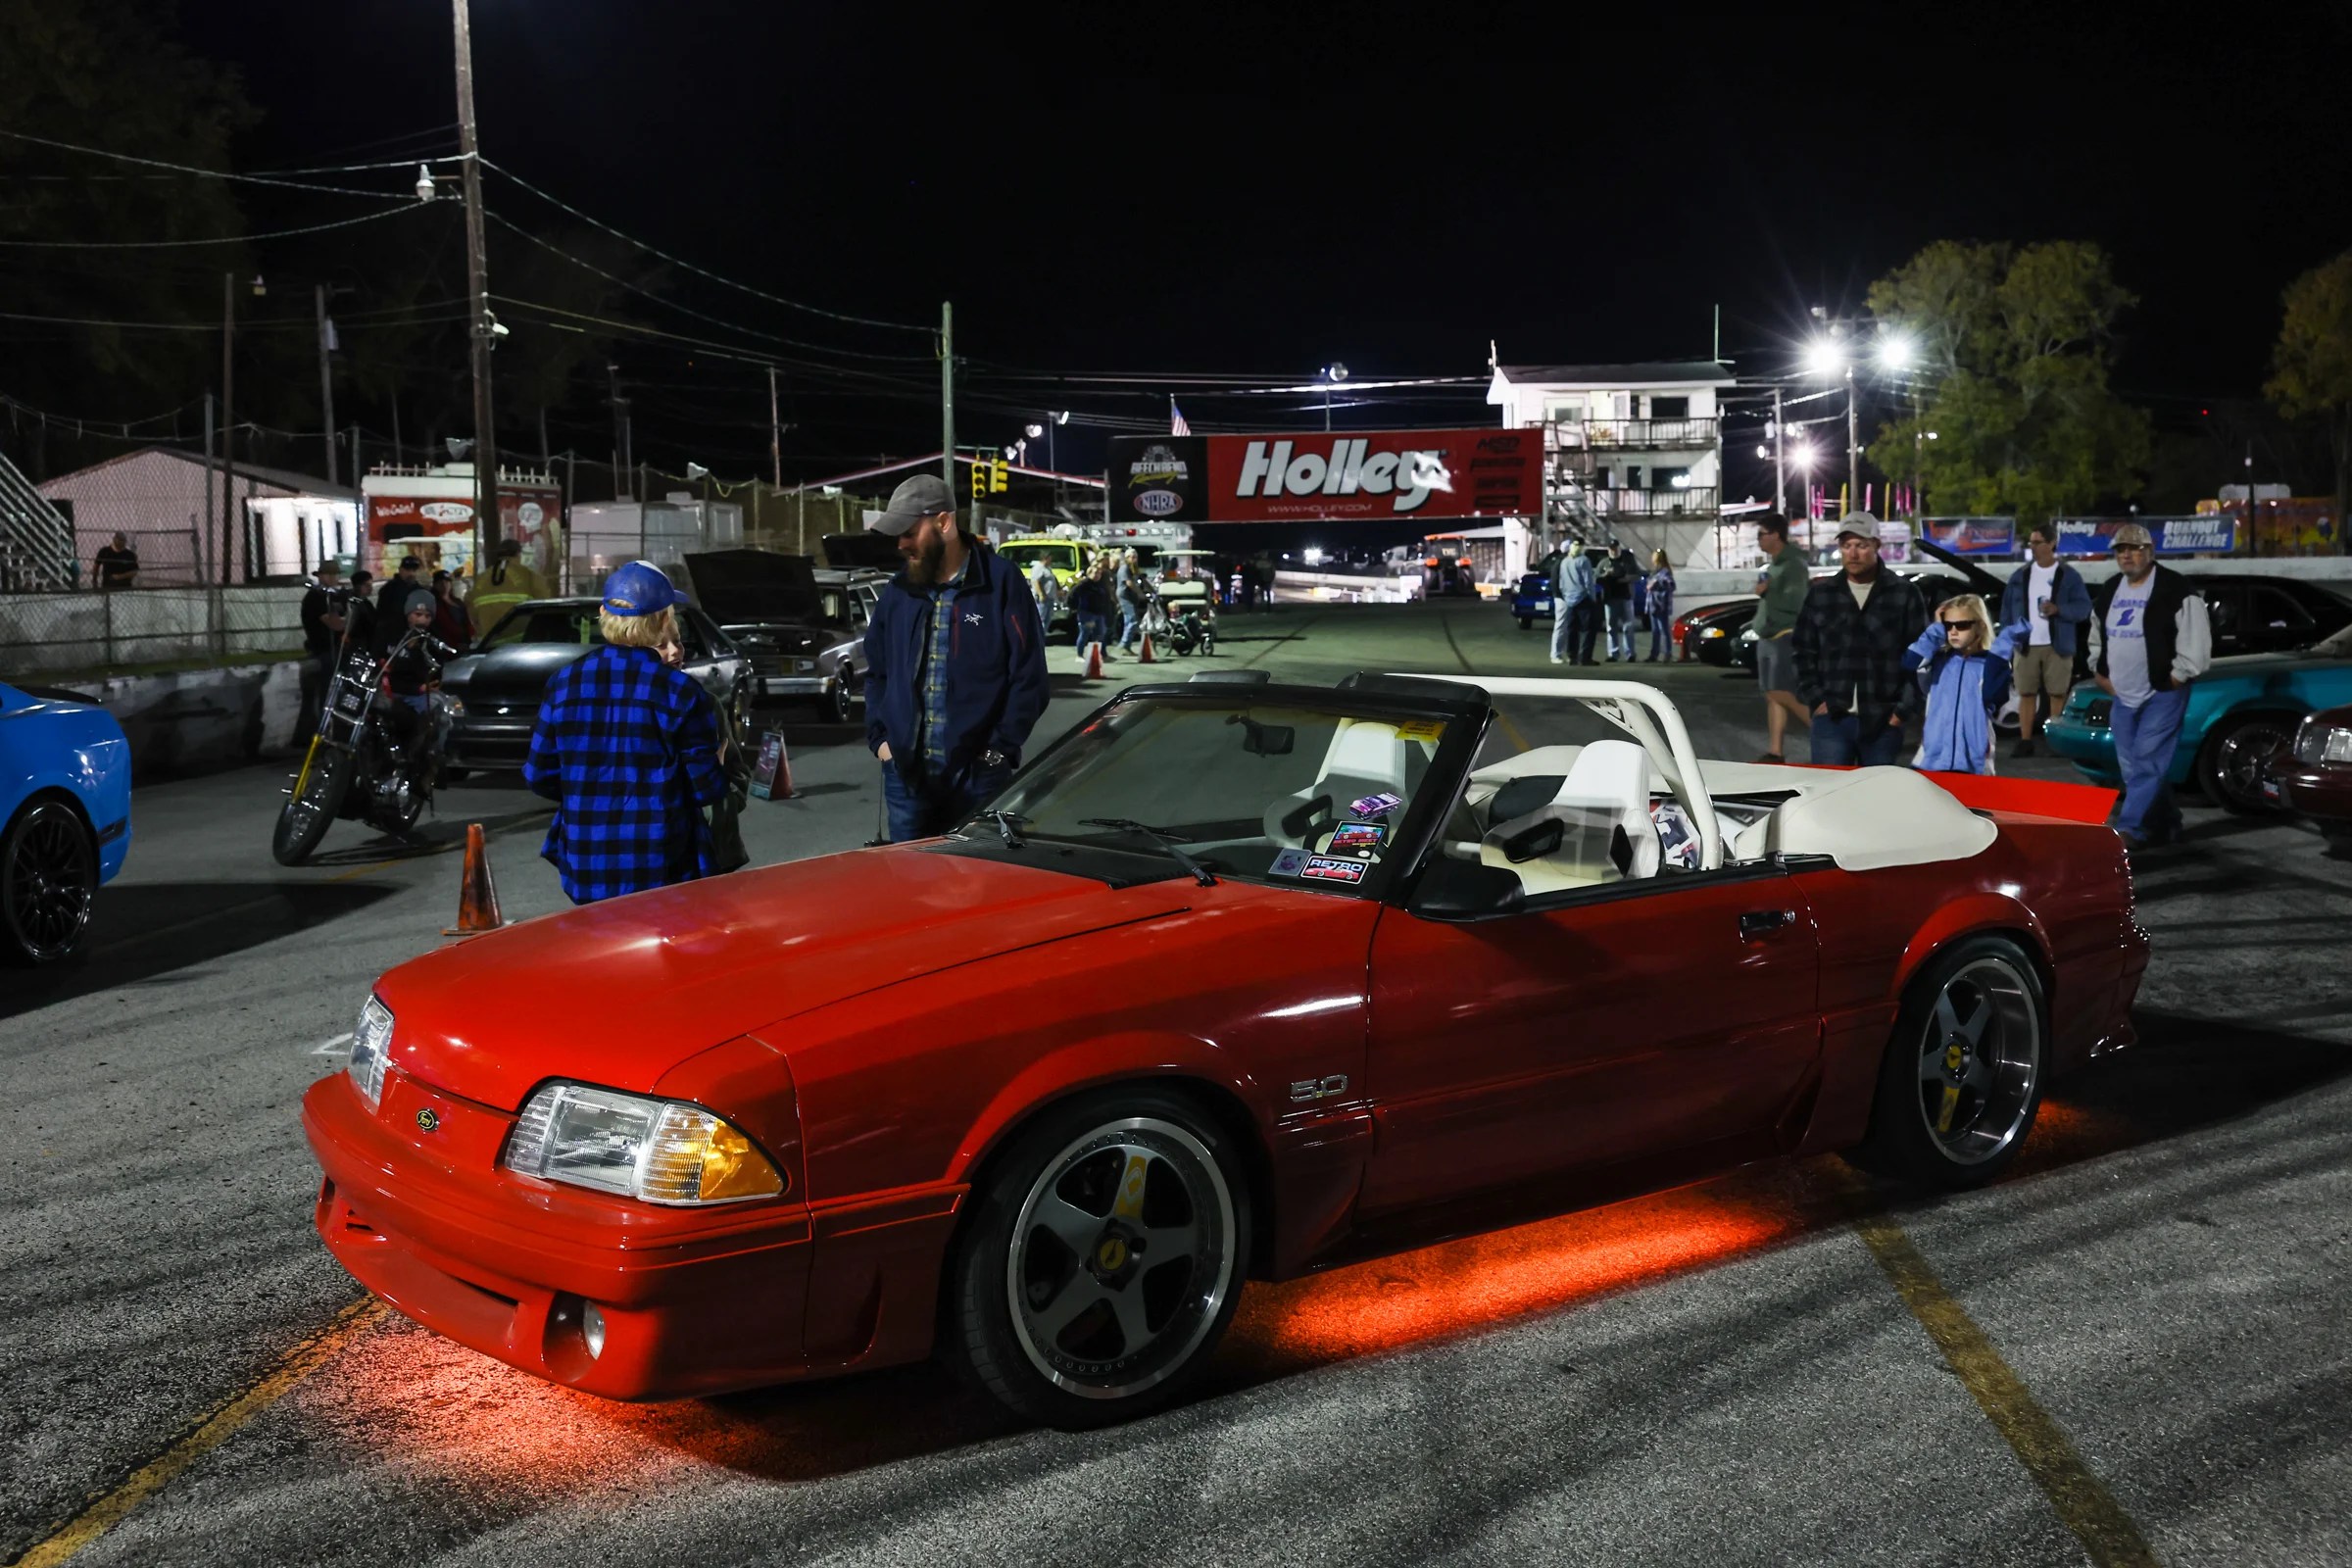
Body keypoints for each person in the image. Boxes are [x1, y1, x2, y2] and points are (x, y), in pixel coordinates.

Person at [523, 561, 729, 904]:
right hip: (664, 864)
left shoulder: (563, 683)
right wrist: (717, 763)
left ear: (604, 613)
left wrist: (589, 794)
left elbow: (539, 775)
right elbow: (705, 788)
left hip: (587, 862)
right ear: (664, 621)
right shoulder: (680, 692)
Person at [861, 473, 1051, 842]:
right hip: (906, 779)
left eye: (909, 532)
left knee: (980, 888)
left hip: (979, 781)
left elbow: (1029, 677)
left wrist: (998, 751)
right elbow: (878, 672)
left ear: (944, 522)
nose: (901, 544)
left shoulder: (1001, 583)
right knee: (912, 888)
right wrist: (881, 741)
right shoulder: (898, 591)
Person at [2091, 523, 2212, 849]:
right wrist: (2099, 671)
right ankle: (2168, 824)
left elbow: (2196, 641)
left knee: (2147, 761)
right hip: (2122, 695)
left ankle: (2130, 829)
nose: (2126, 555)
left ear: (2150, 551)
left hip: (2162, 693)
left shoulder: (2175, 589)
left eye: (2133, 548)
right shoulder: (2110, 590)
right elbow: (2096, 635)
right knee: (2134, 768)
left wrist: (2177, 676)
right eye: (2120, 550)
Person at [1791, 513, 1930, 766]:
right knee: (1828, 797)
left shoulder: (1905, 594)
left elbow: (1921, 657)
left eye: (1861, 545)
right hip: (1831, 719)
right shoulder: (1821, 595)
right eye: (1847, 545)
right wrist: (1815, 698)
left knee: (1875, 802)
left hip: (1883, 722)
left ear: (1877, 545)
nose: (1853, 553)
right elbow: (1802, 650)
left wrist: (1902, 711)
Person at [1999, 522, 2093, 758]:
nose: (2032, 546)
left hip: (2058, 644)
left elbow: (2084, 608)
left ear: (2051, 543)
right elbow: (2007, 608)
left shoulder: (2069, 575)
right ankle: (2025, 740)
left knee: (2057, 693)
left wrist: (2059, 609)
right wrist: (2010, 635)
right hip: (2026, 643)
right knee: (2026, 693)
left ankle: (2056, 742)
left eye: (2037, 542)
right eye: (2031, 542)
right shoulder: (2021, 575)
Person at [1904, 592, 2015, 775]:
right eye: (1948, 625)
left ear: (1980, 626)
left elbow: (1994, 698)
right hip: (1932, 761)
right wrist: (1935, 630)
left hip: (1974, 764)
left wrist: (1999, 658)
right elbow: (1909, 664)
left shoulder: (1991, 665)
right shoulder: (1936, 662)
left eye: (1962, 625)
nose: (1953, 631)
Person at [1751, 513, 1811, 761]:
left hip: (1784, 634)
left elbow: (1795, 601)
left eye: (1761, 535)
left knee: (1781, 691)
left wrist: (1768, 591)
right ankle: (1775, 751)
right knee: (1771, 693)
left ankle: (1825, 730)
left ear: (1776, 535)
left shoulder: (1793, 564)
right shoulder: (1774, 564)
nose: (1758, 540)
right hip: (1767, 635)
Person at [297, 560, 350, 743]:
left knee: (341, 692)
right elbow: (335, 624)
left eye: (335, 574)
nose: (333, 578)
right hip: (324, 651)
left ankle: (338, 732)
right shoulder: (316, 597)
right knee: (328, 693)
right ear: (321, 576)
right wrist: (348, 621)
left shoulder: (336, 596)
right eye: (329, 574)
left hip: (338, 650)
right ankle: (323, 735)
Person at [468, 537, 551, 643]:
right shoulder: (528, 575)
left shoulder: (481, 579)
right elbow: (545, 605)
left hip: (490, 641)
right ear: (518, 554)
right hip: (519, 640)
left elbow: (471, 609)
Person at [1549, 540, 1597, 665]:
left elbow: (1561, 583)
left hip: (1569, 600)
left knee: (1572, 629)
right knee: (1589, 629)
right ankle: (1585, 657)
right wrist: (1593, 598)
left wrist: (1566, 596)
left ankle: (1572, 657)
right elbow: (1588, 582)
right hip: (1582, 598)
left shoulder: (1565, 562)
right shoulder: (1584, 560)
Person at [375, 555, 425, 653]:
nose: (411, 573)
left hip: (415, 637)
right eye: (407, 570)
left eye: (414, 570)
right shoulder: (389, 590)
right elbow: (384, 616)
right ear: (400, 570)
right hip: (393, 638)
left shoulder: (419, 590)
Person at [1601, 540, 1639, 662]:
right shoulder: (1604, 562)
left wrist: (1625, 579)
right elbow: (1596, 577)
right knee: (1611, 627)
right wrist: (1605, 575)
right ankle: (1613, 653)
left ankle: (1630, 654)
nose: (1613, 551)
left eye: (1615, 548)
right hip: (1610, 599)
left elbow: (1637, 575)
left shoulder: (1627, 561)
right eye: (1611, 548)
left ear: (1619, 548)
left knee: (1628, 627)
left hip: (1625, 597)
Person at [1069, 562, 1114, 656]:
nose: (1097, 575)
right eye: (1095, 573)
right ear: (1089, 573)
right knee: (1084, 634)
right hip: (1086, 613)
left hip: (1099, 613)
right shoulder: (1084, 584)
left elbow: (1106, 599)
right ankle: (1080, 654)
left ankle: (1099, 655)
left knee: (1100, 635)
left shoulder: (1100, 585)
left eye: (1099, 574)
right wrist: (1074, 607)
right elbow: (1072, 595)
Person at [428, 569, 471, 653]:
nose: (444, 585)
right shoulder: (434, 604)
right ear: (435, 585)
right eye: (440, 582)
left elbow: (467, 622)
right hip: (448, 647)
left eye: (447, 582)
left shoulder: (458, 602)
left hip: (466, 643)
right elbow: (436, 629)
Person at [1644, 550, 1676, 662]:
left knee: (1663, 630)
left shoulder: (1665, 572)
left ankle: (1667, 653)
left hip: (1661, 605)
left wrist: (1658, 583)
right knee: (1655, 631)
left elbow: (1671, 585)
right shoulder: (1655, 572)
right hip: (1653, 604)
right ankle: (1654, 654)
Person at [1026, 555, 1059, 642]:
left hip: (1050, 598)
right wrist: (1041, 594)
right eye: (1050, 558)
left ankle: (1042, 638)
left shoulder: (1047, 568)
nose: (1051, 560)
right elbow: (1036, 582)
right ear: (1046, 558)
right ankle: (1037, 640)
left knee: (1047, 620)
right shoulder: (1038, 568)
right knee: (1041, 620)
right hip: (1043, 599)